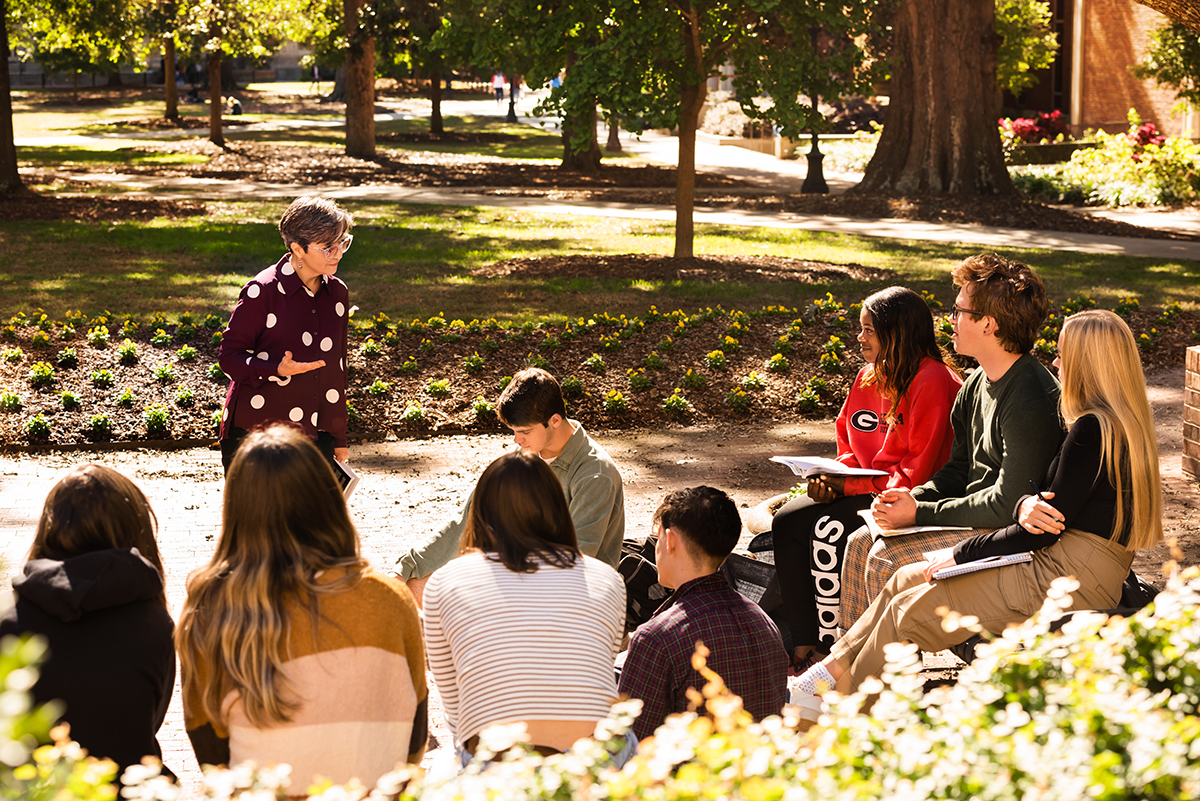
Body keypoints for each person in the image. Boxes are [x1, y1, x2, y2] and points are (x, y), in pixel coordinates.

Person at [791, 309, 1163, 708]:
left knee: (909, 611)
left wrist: (960, 553)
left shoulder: (1092, 431)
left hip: (1067, 576)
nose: (1056, 364)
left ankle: (839, 712)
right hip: (1066, 563)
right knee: (904, 580)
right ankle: (824, 677)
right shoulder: (1116, 425)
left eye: (1061, 355)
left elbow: (1040, 529)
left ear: (1086, 364)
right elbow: (1045, 507)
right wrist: (1024, 504)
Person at [177, 425, 427, 788]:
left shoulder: (209, 606)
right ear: (326, 499)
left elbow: (210, 752)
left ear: (237, 508)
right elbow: (415, 738)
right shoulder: (389, 599)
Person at [838, 254, 1064, 631]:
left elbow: (1007, 504)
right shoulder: (976, 383)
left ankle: (881, 667)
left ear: (988, 324)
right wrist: (911, 498)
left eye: (959, 311)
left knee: (884, 558)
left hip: (1008, 537)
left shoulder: (1029, 396)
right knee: (860, 542)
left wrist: (919, 513)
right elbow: (957, 470)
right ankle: (849, 658)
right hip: (975, 521)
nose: (950, 320)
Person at [770, 287, 962, 674]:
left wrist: (848, 487)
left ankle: (833, 652)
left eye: (869, 330)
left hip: (911, 497)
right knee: (787, 521)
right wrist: (830, 478)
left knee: (828, 529)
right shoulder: (868, 376)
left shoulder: (934, 380)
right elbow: (849, 442)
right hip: (864, 487)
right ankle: (804, 643)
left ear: (898, 332)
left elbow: (918, 471)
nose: (859, 338)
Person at [422, 451, 629, 766]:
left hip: (496, 759)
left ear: (481, 512)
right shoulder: (607, 579)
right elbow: (599, 662)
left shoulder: (445, 580)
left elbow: (454, 702)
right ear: (557, 507)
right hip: (591, 755)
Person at [0, 465, 175, 777]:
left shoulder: (8, 619)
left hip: (34, 791)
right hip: (130, 786)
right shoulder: (154, 624)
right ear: (137, 530)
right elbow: (152, 719)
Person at [396, 368, 625, 604]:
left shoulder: (595, 475)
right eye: (513, 431)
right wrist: (405, 569)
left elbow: (573, 561)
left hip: (572, 595)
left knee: (455, 598)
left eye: (524, 431)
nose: (516, 440)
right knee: (414, 586)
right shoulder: (524, 454)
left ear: (554, 420)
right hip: (521, 572)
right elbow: (470, 518)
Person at [619, 487, 788, 742]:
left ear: (670, 540)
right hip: (756, 763)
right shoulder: (764, 623)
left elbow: (629, 743)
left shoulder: (656, 637)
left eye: (657, 538)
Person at [217, 196, 354, 475]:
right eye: (328, 247)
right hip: (258, 437)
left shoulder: (338, 293)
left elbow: (336, 370)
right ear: (297, 249)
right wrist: (276, 369)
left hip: (317, 437)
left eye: (342, 242)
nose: (338, 253)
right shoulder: (262, 291)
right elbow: (229, 358)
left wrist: (338, 438)